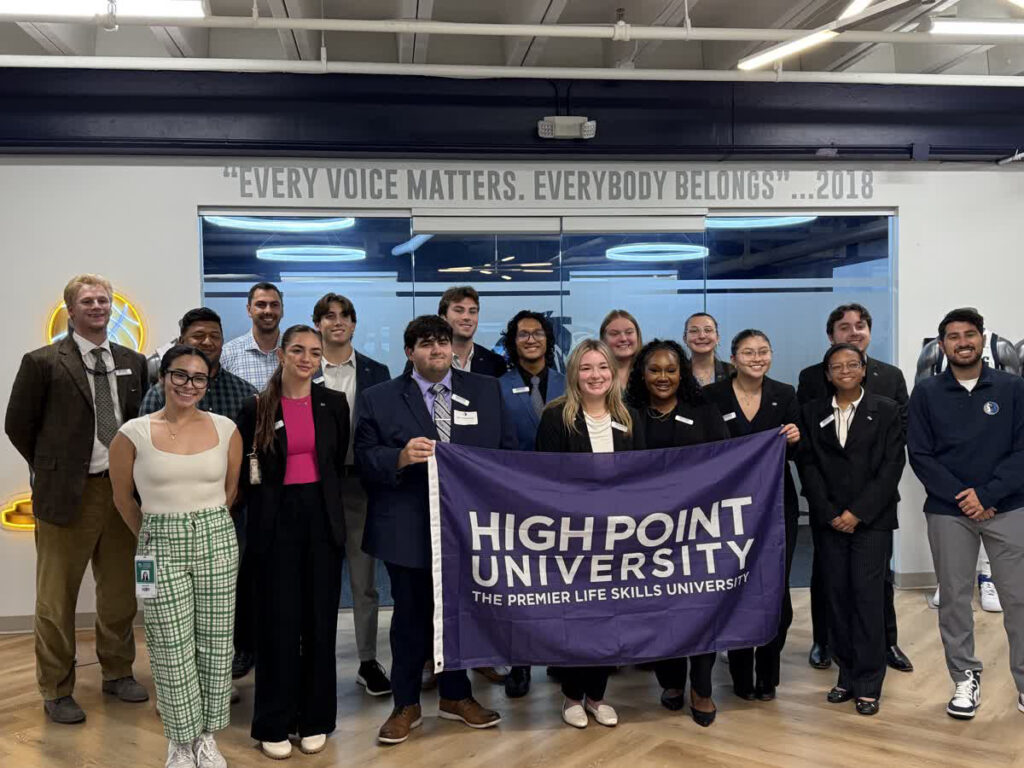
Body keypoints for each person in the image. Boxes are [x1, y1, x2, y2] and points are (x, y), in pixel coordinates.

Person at [355, 315, 516, 745]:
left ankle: (456, 695)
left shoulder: (485, 390)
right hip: (406, 527)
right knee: (410, 618)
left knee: (462, 613)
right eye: (426, 344)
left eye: (443, 342)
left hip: (469, 527)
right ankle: (406, 704)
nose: (437, 350)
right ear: (410, 353)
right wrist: (400, 457)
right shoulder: (379, 398)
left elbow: (505, 452)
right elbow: (363, 458)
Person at [5, 274, 149, 725]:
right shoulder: (43, 362)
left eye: (103, 300)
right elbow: (18, 425)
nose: (97, 306)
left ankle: (117, 671)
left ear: (112, 307)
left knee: (120, 592)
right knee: (56, 598)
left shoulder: (134, 361)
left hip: (122, 493)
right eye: (87, 301)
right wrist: (56, 467)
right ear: (71, 309)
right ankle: (56, 687)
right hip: (67, 495)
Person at [109, 345, 242, 768]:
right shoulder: (133, 433)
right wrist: (152, 537)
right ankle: (180, 741)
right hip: (158, 544)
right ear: (163, 377)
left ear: (208, 383)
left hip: (216, 540)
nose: (189, 385)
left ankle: (206, 737)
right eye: (180, 375)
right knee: (169, 644)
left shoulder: (226, 429)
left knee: (217, 645)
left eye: (198, 378)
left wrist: (202, 525)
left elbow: (230, 492)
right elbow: (123, 499)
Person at [237, 325, 350, 759]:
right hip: (275, 523)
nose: (307, 358)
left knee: (319, 625)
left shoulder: (333, 404)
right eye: (298, 350)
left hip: (322, 522)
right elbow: (248, 471)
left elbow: (334, 461)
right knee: (278, 627)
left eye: (315, 352)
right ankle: (274, 722)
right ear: (281, 354)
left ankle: (315, 718)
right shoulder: (257, 407)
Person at [907, 307, 1024, 721]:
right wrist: (964, 496)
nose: (962, 342)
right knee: (954, 599)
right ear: (942, 345)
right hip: (948, 510)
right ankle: (965, 679)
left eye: (969, 334)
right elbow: (920, 453)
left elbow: (1021, 451)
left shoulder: (1012, 387)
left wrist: (988, 494)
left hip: (1007, 507)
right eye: (953, 336)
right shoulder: (926, 393)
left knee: (1018, 598)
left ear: (982, 339)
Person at [139, 309, 259, 688]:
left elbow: (252, 454)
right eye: (198, 335)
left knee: (227, 594)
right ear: (181, 340)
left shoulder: (242, 392)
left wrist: (232, 500)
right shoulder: (159, 393)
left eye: (215, 335)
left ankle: (230, 661)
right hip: (169, 519)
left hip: (227, 515)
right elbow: (141, 456)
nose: (207, 342)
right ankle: (177, 679)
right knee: (170, 605)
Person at [797, 303, 913, 673]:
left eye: (860, 325)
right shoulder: (811, 377)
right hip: (828, 501)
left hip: (874, 504)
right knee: (826, 576)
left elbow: (901, 438)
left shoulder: (891, 376)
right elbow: (808, 444)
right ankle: (824, 641)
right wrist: (829, 506)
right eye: (844, 327)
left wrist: (863, 506)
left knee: (876, 579)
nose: (853, 332)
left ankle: (887, 642)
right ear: (831, 336)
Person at [536, 339, 645, 730]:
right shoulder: (556, 417)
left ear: (613, 373)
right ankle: (571, 695)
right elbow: (544, 481)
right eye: (586, 368)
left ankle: (598, 696)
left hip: (619, 537)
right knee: (576, 616)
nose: (595, 375)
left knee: (609, 616)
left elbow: (642, 477)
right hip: (573, 536)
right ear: (574, 375)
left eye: (602, 367)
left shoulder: (630, 417)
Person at [625, 339, 728, 727]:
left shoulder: (703, 412)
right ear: (641, 374)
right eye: (654, 370)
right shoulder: (629, 413)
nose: (663, 377)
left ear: (682, 373)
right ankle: (670, 682)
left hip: (697, 532)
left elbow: (727, 466)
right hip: (645, 536)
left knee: (700, 609)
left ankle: (702, 688)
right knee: (660, 609)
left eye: (671, 369)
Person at [704, 330, 800, 703]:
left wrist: (795, 439)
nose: (756, 358)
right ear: (733, 357)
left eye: (763, 351)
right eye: (748, 352)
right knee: (738, 586)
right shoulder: (713, 396)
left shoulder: (785, 394)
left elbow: (796, 453)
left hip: (777, 504)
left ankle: (769, 673)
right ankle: (741, 672)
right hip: (729, 510)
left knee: (776, 589)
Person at [311, 292, 392, 697]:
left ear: (354, 324)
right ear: (318, 324)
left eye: (344, 316)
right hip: (314, 487)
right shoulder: (303, 369)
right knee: (318, 577)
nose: (337, 322)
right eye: (328, 316)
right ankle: (316, 658)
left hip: (362, 485)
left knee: (364, 581)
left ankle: (366, 660)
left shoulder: (379, 372)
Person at [496, 310, 566, 698]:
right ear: (513, 340)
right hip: (516, 495)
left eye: (537, 333)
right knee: (520, 582)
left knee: (559, 579)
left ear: (548, 339)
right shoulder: (497, 386)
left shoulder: (567, 382)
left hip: (561, 497)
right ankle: (519, 663)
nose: (530, 340)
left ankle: (558, 653)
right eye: (522, 334)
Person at [221, 283, 284, 391]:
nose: (268, 310)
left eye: (274, 305)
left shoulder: (294, 351)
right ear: (249, 310)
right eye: (261, 304)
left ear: (282, 310)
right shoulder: (227, 354)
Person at [440, 285, 507, 377]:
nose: (466, 317)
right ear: (443, 317)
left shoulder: (495, 363)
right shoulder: (430, 359)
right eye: (459, 311)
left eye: (472, 312)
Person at [684, 312, 734, 386]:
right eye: (694, 331)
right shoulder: (678, 372)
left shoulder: (732, 372)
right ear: (685, 339)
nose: (702, 336)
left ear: (717, 338)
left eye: (708, 330)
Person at [600, 309, 641, 391]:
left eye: (629, 332)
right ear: (603, 340)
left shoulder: (649, 372)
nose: (623, 338)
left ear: (638, 336)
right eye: (614, 334)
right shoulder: (595, 375)